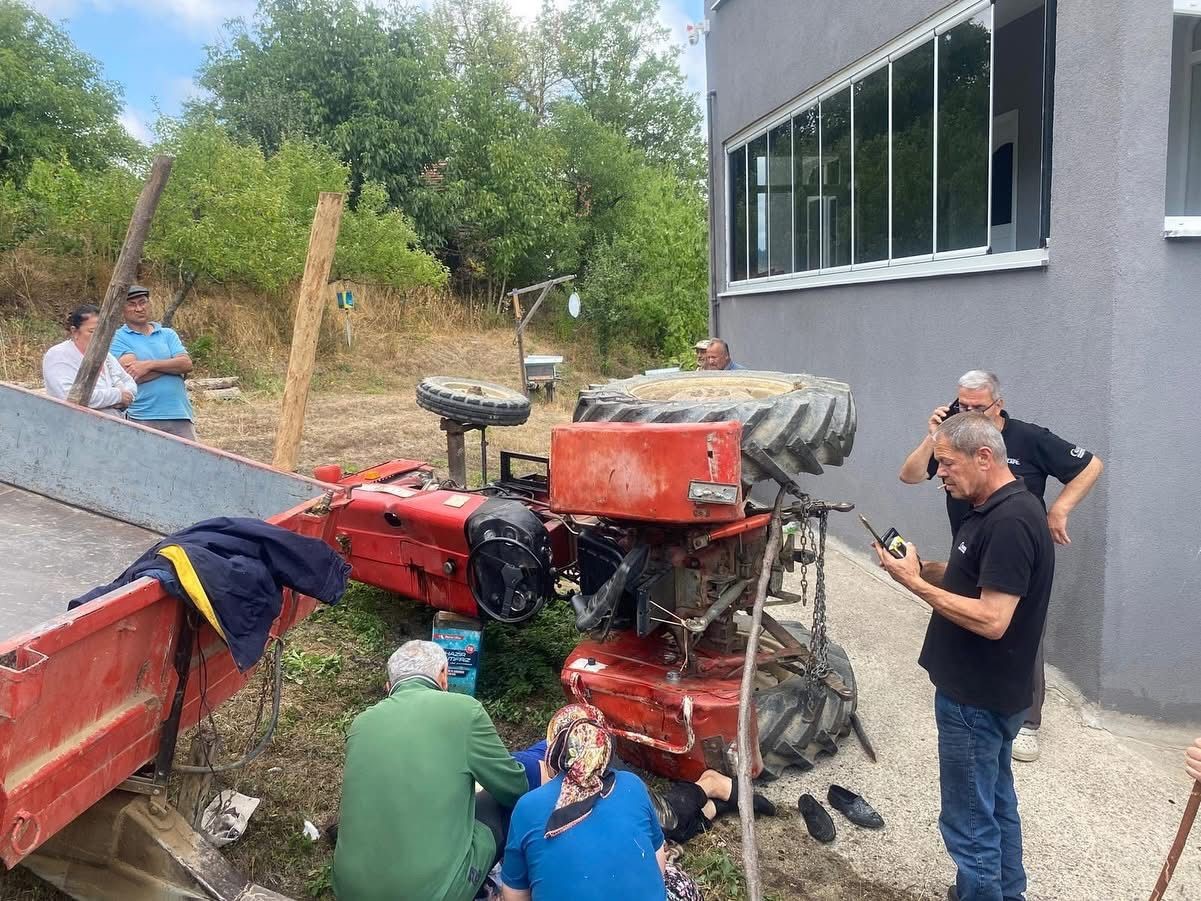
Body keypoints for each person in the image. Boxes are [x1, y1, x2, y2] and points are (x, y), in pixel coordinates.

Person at [877, 413, 1054, 901]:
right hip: (986, 694)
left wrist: (912, 585)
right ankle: (1006, 893)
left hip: (976, 699)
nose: (940, 476)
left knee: (969, 822)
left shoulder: (1011, 520)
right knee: (994, 805)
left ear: (983, 456)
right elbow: (977, 575)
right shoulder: (990, 509)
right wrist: (921, 568)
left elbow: (993, 618)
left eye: (946, 465)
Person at [898, 369, 1103, 762]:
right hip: (970, 546)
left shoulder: (1028, 439)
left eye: (979, 406)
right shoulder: (953, 441)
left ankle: (1026, 721)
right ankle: (974, 707)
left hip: (1012, 545)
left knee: (1015, 633)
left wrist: (1060, 510)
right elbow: (909, 475)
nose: (970, 411)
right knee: (969, 629)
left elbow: (1090, 465)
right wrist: (934, 436)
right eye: (963, 405)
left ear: (999, 404)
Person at [333, 641, 528, 901]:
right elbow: (515, 788)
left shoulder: (361, 723)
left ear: (389, 686)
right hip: (431, 894)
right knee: (500, 804)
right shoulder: (465, 711)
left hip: (350, 890)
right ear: (443, 675)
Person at [501, 704, 702, 901]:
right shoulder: (631, 784)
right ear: (605, 741)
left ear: (554, 748)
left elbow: (513, 896)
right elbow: (658, 865)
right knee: (680, 882)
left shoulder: (526, 807)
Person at [108, 285, 197, 440]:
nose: (139, 308)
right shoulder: (118, 338)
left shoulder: (168, 334)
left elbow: (186, 364)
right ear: (122, 310)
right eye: (131, 304)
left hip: (180, 413)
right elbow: (135, 375)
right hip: (143, 415)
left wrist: (149, 365)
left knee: (188, 462)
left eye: (143, 302)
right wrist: (172, 366)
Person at [42, 304, 137, 416]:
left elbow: (129, 382)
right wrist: (117, 396)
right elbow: (70, 396)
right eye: (93, 332)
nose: (101, 337)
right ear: (75, 332)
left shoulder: (106, 356)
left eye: (104, 331)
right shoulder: (58, 355)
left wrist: (126, 395)